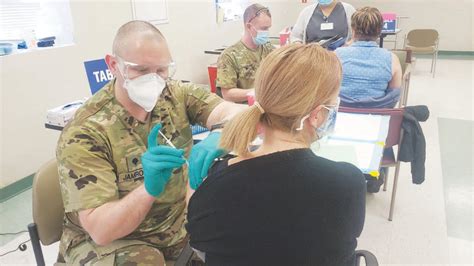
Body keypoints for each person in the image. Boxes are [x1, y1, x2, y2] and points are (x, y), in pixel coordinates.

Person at [56, 20, 244, 265]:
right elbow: (101, 230)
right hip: (110, 241)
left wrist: (221, 132)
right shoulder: (86, 131)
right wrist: (148, 189)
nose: (153, 80)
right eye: (141, 70)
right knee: (146, 260)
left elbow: (234, 112)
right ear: (114, 65)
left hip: (172, 225)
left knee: (241, 239)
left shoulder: (174, 95)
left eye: (161, 70)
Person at [186, 44, 366, 265]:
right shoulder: (348, 182)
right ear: (317, 116)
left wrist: (194, 182)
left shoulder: (216, 182)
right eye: (334, 102)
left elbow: (197, 240)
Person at [335, 7, 402, 109]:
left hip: (340, 115)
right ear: (380, 31)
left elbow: (326, 89)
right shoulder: (392, 59)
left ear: (353, 30)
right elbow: (393, 96)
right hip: (378, 116)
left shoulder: (337, 55)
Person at [216, 3, 274, 103]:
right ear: (249, 26)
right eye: (263, 28)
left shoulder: (268, 49)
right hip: (244, 110)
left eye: (268, 28)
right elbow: (227, 94)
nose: (266, 32)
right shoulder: (229, 56)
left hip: (268, 106)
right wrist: (254, 92)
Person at [291, 0, 355, 49]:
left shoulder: (349, 10)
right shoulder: (306, 12)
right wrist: (302, 49)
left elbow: (358, 36)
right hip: (313, 59)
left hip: (341, 59)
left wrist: (348, 46)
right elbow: (296, 38)